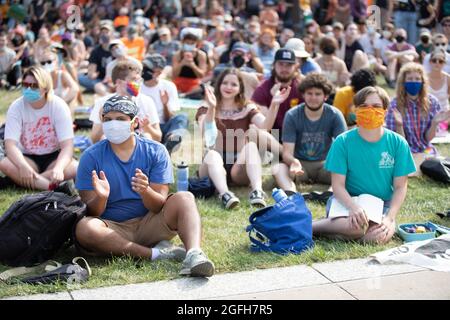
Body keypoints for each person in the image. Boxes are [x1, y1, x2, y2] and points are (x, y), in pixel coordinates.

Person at [74, 95, 215, 278]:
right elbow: (92, 213)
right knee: (84, 228)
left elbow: (158, 205)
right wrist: (101, 197)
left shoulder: (156, 150)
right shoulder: (90, 156)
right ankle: (156, 254)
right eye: (107, 119)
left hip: (150, 222)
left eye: (120, 119)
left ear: (134, 123)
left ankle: (194, 254)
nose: (113, 124)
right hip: (112, 228)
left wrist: (145, 191)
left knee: (185, 198)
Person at [313, 86, 416, 244]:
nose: (370, 110)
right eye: (364, 106)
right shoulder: (343, 141)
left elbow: (400, 187)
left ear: (385, 111)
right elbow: (338, 186)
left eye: (376, 106)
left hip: (382, 204)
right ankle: (312, 227)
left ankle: (335, 232)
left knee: (376, 238)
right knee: (358, 226)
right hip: (347, 201)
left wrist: (389, 218)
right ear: (356, 110)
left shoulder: (398, 143)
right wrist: (354, 207)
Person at [196, 68, 291, 209]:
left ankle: (257, 191)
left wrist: (274, 104)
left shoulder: (246, 107)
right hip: (212, 167)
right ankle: (225, 194)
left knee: (251, 147)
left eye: (234, 84)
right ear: (218, 85)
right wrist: (212, 108)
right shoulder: (206, 106)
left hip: (238, 168)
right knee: (212, 154)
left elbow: (265, 127)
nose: (229, 87)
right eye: (225, 83)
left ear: (240, 88)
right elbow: (207, 133)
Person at [0, 66, 78, 193]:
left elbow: (67, 146)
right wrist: (23, 166)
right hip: (26, 157)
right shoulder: (16, 107)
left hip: (53, 156)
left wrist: (58, 168)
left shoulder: (59, 106)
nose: (29, 89)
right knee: (4, 163)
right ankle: (52, 187)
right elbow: (10, 145)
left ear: (46, 87)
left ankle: (23, 181)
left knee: (75, 167)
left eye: (34, 86)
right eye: (25, 85)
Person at [272, 73, 347, 192]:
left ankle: (331, 192)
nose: (313, 98)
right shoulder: (292, 115)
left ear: (325, 96)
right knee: (278, 167)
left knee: (349, 168)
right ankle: (292, 193)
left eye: (318, 94)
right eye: (309, 93)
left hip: (326, 165)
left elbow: (344, 149)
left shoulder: (334, 115)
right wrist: (293, 162)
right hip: (300, 166)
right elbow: (287, 153)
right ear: (303, 95)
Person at [386, 63, 450, 174]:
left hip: (425, 149)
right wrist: (399, 125)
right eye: (410, 79)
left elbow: (428, 139)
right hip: (403, 149)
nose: (414, 82)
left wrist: (435, 123)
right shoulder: (395, 105)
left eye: (417, 79)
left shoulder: (432, 102)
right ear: (403, 82)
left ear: (422, 82)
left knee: (433, 165)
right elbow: (397, 143)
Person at [90, 60, 161, 144]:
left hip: (138, 148)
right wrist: (104, 121)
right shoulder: (103, 103)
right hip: (113, 145)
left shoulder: (147, 101)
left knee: (147, 137)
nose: (138, 84)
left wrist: (147, 127)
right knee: (104, 139)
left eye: (139, 80)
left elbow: (158, 138)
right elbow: (94, 140)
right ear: (119, 82)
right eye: (133, 80)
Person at [140, 54, 188, 153]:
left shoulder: (168, 86)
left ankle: (171, 141)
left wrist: (165, 104)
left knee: (182, 117)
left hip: (164, 126)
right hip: (144, 127)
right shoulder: (137, 87)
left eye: (148, 68)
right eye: (144, 67)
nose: (144, 70)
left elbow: (169, 118)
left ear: (158, 72)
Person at [252, 48, 303, 138]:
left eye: (288, 65)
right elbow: (264, 126)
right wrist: (274, 103)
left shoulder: (301, 88)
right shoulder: (262, 89)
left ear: (295, 67)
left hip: (296, 134)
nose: (284, 69)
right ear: (274, 65)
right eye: (281, 64)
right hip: (272, 135)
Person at [78, 22, 113, 93]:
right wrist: (92, 75)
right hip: (100, 79)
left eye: (107, 32)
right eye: (102, 32)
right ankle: (101, 88)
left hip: (115, 79)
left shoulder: (116, 47)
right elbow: (91, 71)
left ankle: (101, 88)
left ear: (112, 34)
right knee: (80, 78)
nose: (104, 34)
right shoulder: (96, 51)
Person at [172, 30, 207, 94]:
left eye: (192, 43)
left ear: (196, 43)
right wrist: (182, 63)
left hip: (194, 84)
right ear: (183, 42)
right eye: (187, 43)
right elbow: (174, 75)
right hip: (179, 83)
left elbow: (201, 75)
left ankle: (186, 94)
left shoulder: (201, 55)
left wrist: (192, 65)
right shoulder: (177, 55)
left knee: (202, 88)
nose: (189, 45)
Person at [427, 49, 450, 134]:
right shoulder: (424, 78)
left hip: (445, 114)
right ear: (430, 62)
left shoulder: (448, 78)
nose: (437, 63)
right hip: (427, 114)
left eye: (440, 61)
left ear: (444, 63)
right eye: (434, 60)